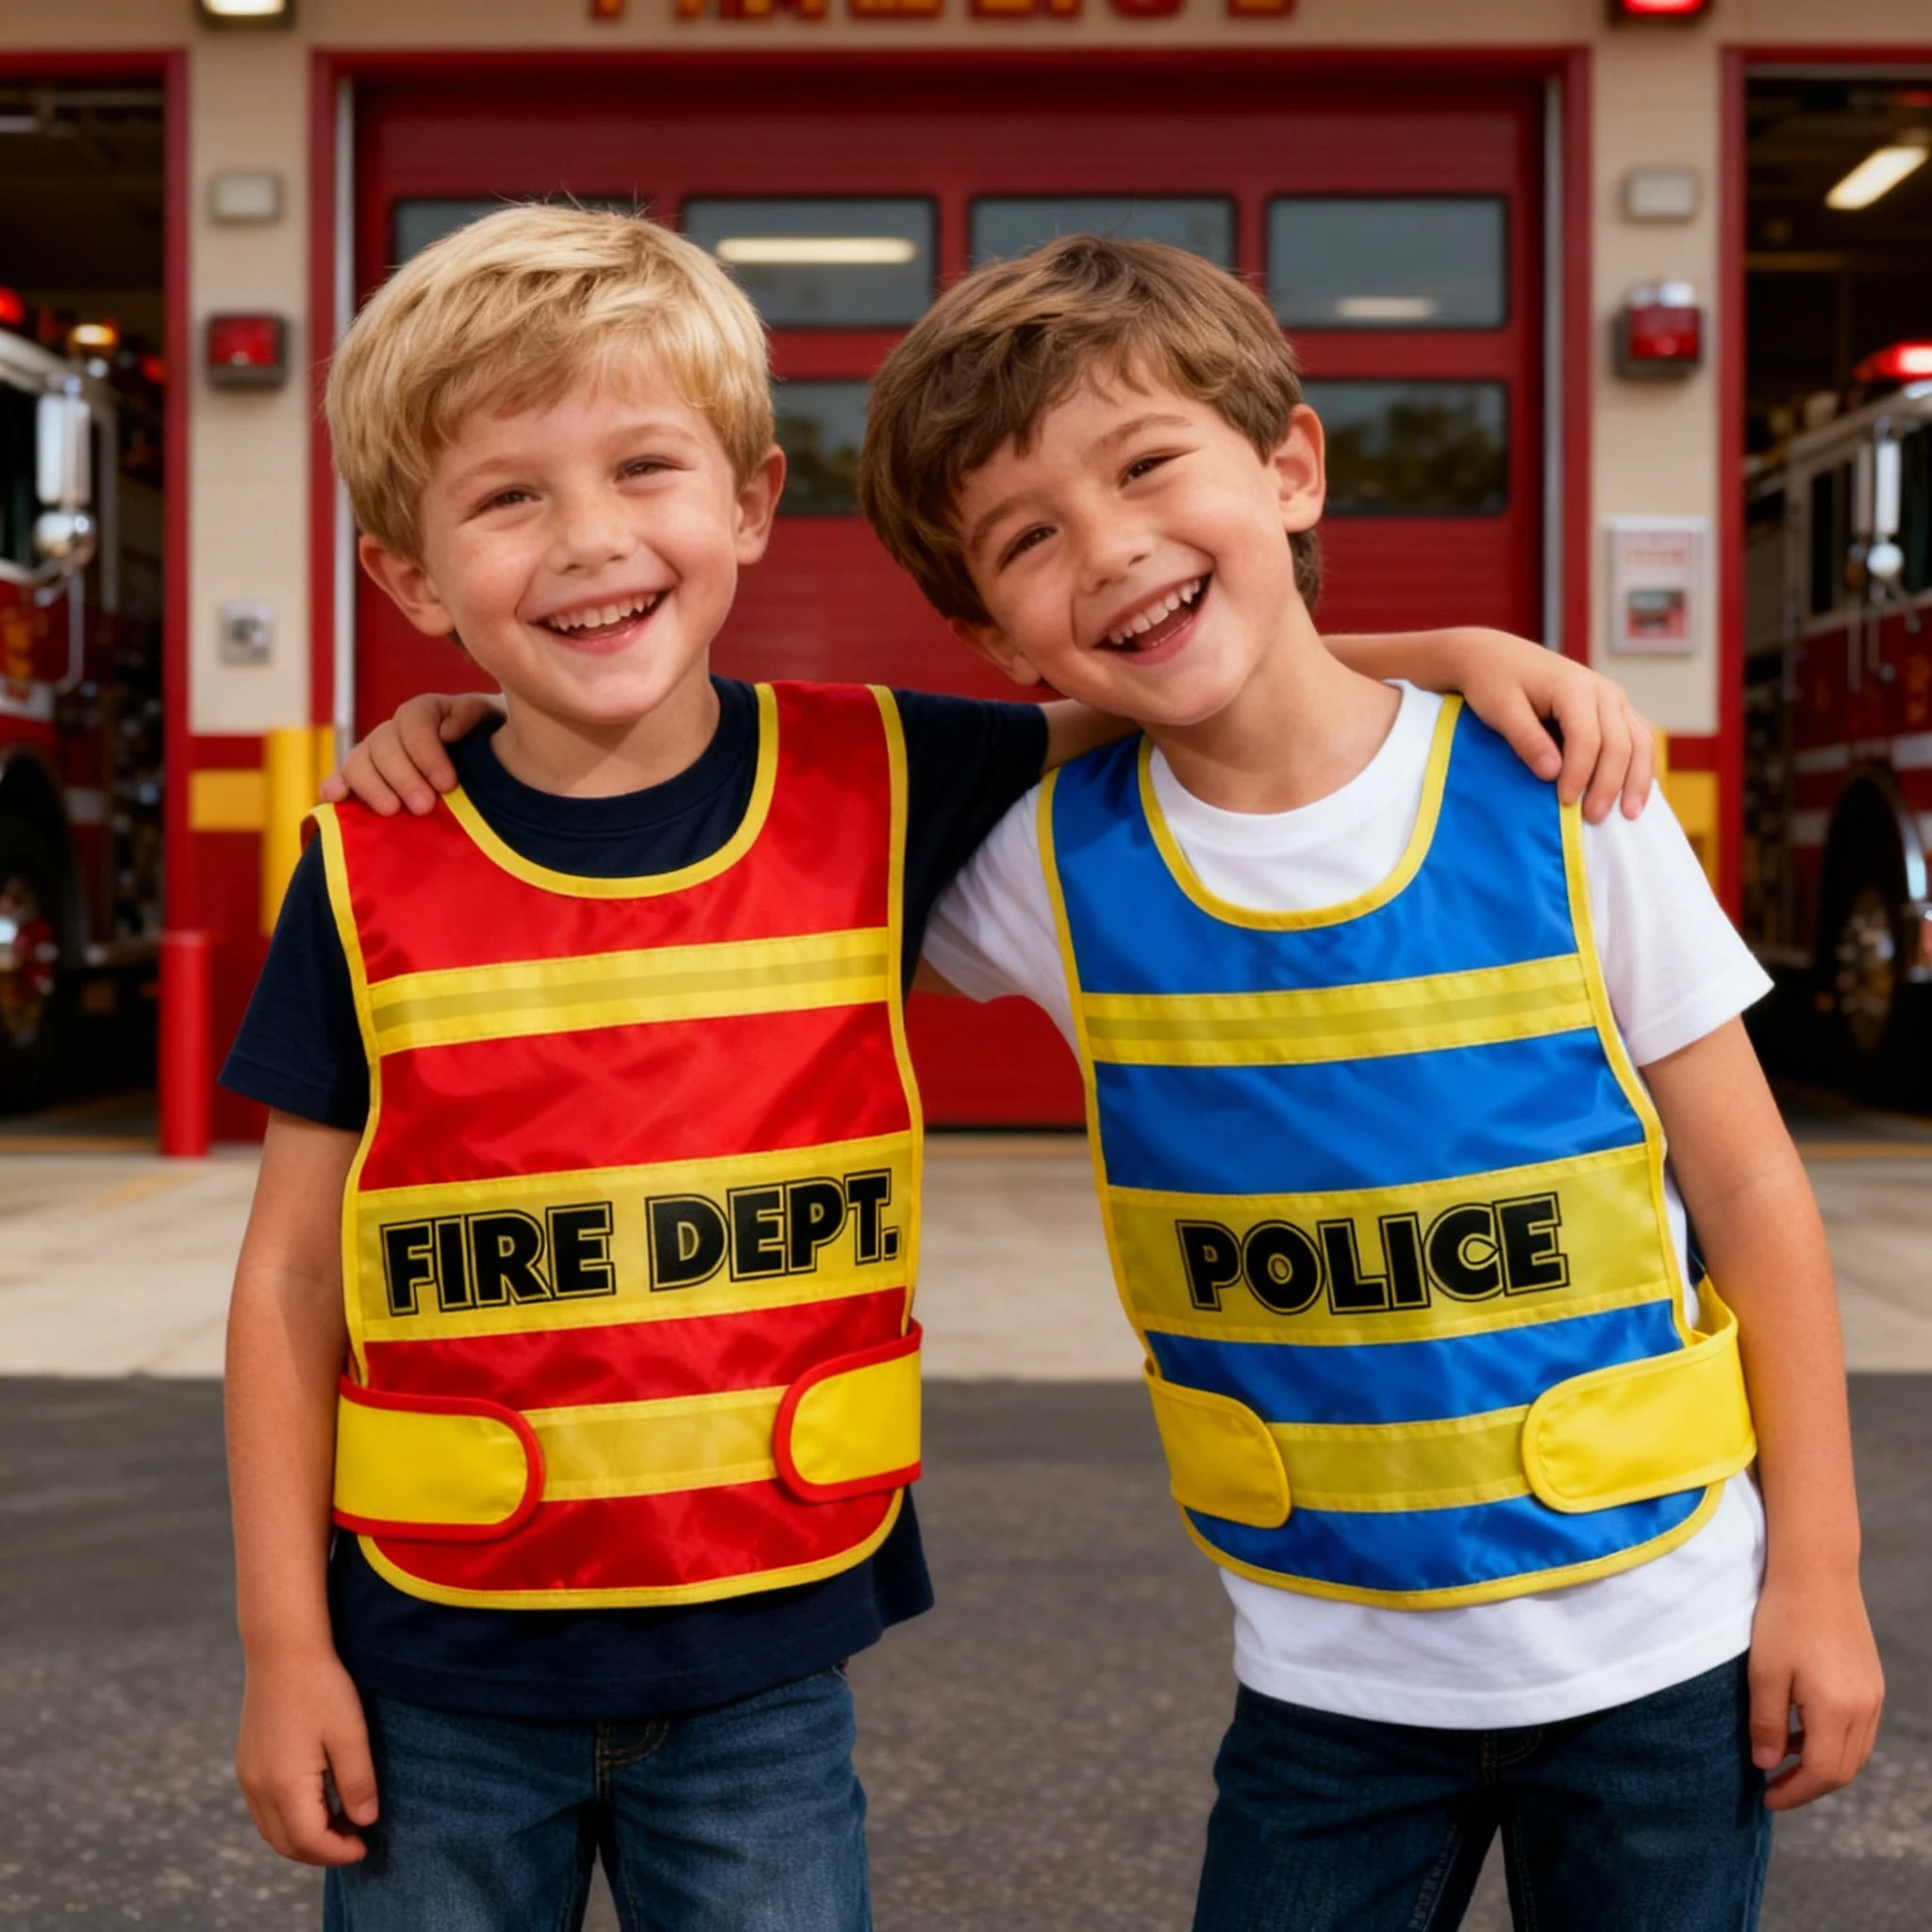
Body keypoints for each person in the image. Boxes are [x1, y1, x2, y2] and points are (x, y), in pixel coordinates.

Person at [265, 205, 1656, 1932]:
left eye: (642, 469)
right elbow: (289, 1284)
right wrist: (283, 1648)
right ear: (408, 578)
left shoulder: (880, 779)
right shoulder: (370, 860)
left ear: (752, 502)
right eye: (507, 499)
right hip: (431, 1661)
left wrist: (1457, 656)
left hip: (766, 1657)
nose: (591, 538)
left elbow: (1188, 677)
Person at [851, 234, 1889, 1930]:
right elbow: (718, 821)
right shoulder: (1043, 866)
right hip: (1326, 1689)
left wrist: (1823, 1579)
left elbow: (1756, 1193)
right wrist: (475, 732)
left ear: (1292, 467)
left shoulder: (1562, 791)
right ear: (996, 637)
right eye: (1028, 538)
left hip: (1662, 1649)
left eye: (1148, 465)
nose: (1108, 548)